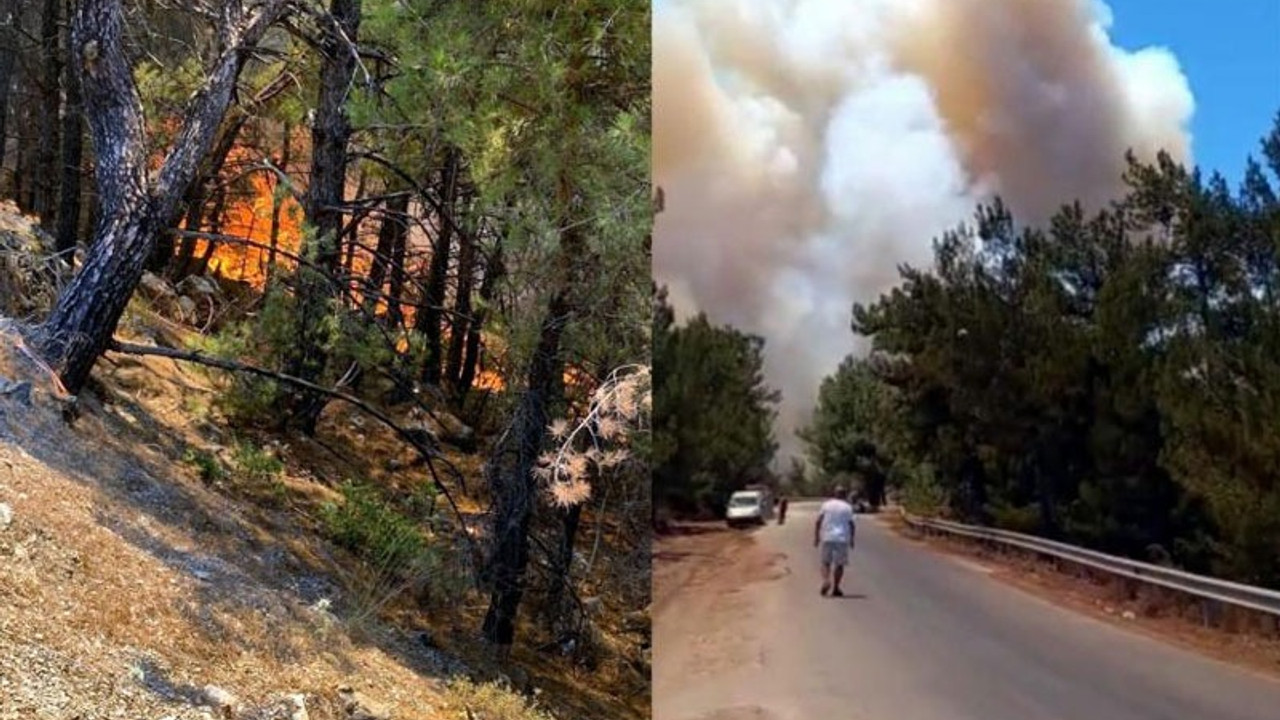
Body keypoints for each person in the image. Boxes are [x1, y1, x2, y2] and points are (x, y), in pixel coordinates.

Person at [813, 485, 856, 597]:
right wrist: (852, 539)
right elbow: (852, 524)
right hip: (842, 538)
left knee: (825, 562)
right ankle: (836, 587)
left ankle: (826, 580)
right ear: (844, 495)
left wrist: (816, 537)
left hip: (827, 536)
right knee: (839, 564)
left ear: (834, 494)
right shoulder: (847, 507)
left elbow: (818, 521)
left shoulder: (826, 505)